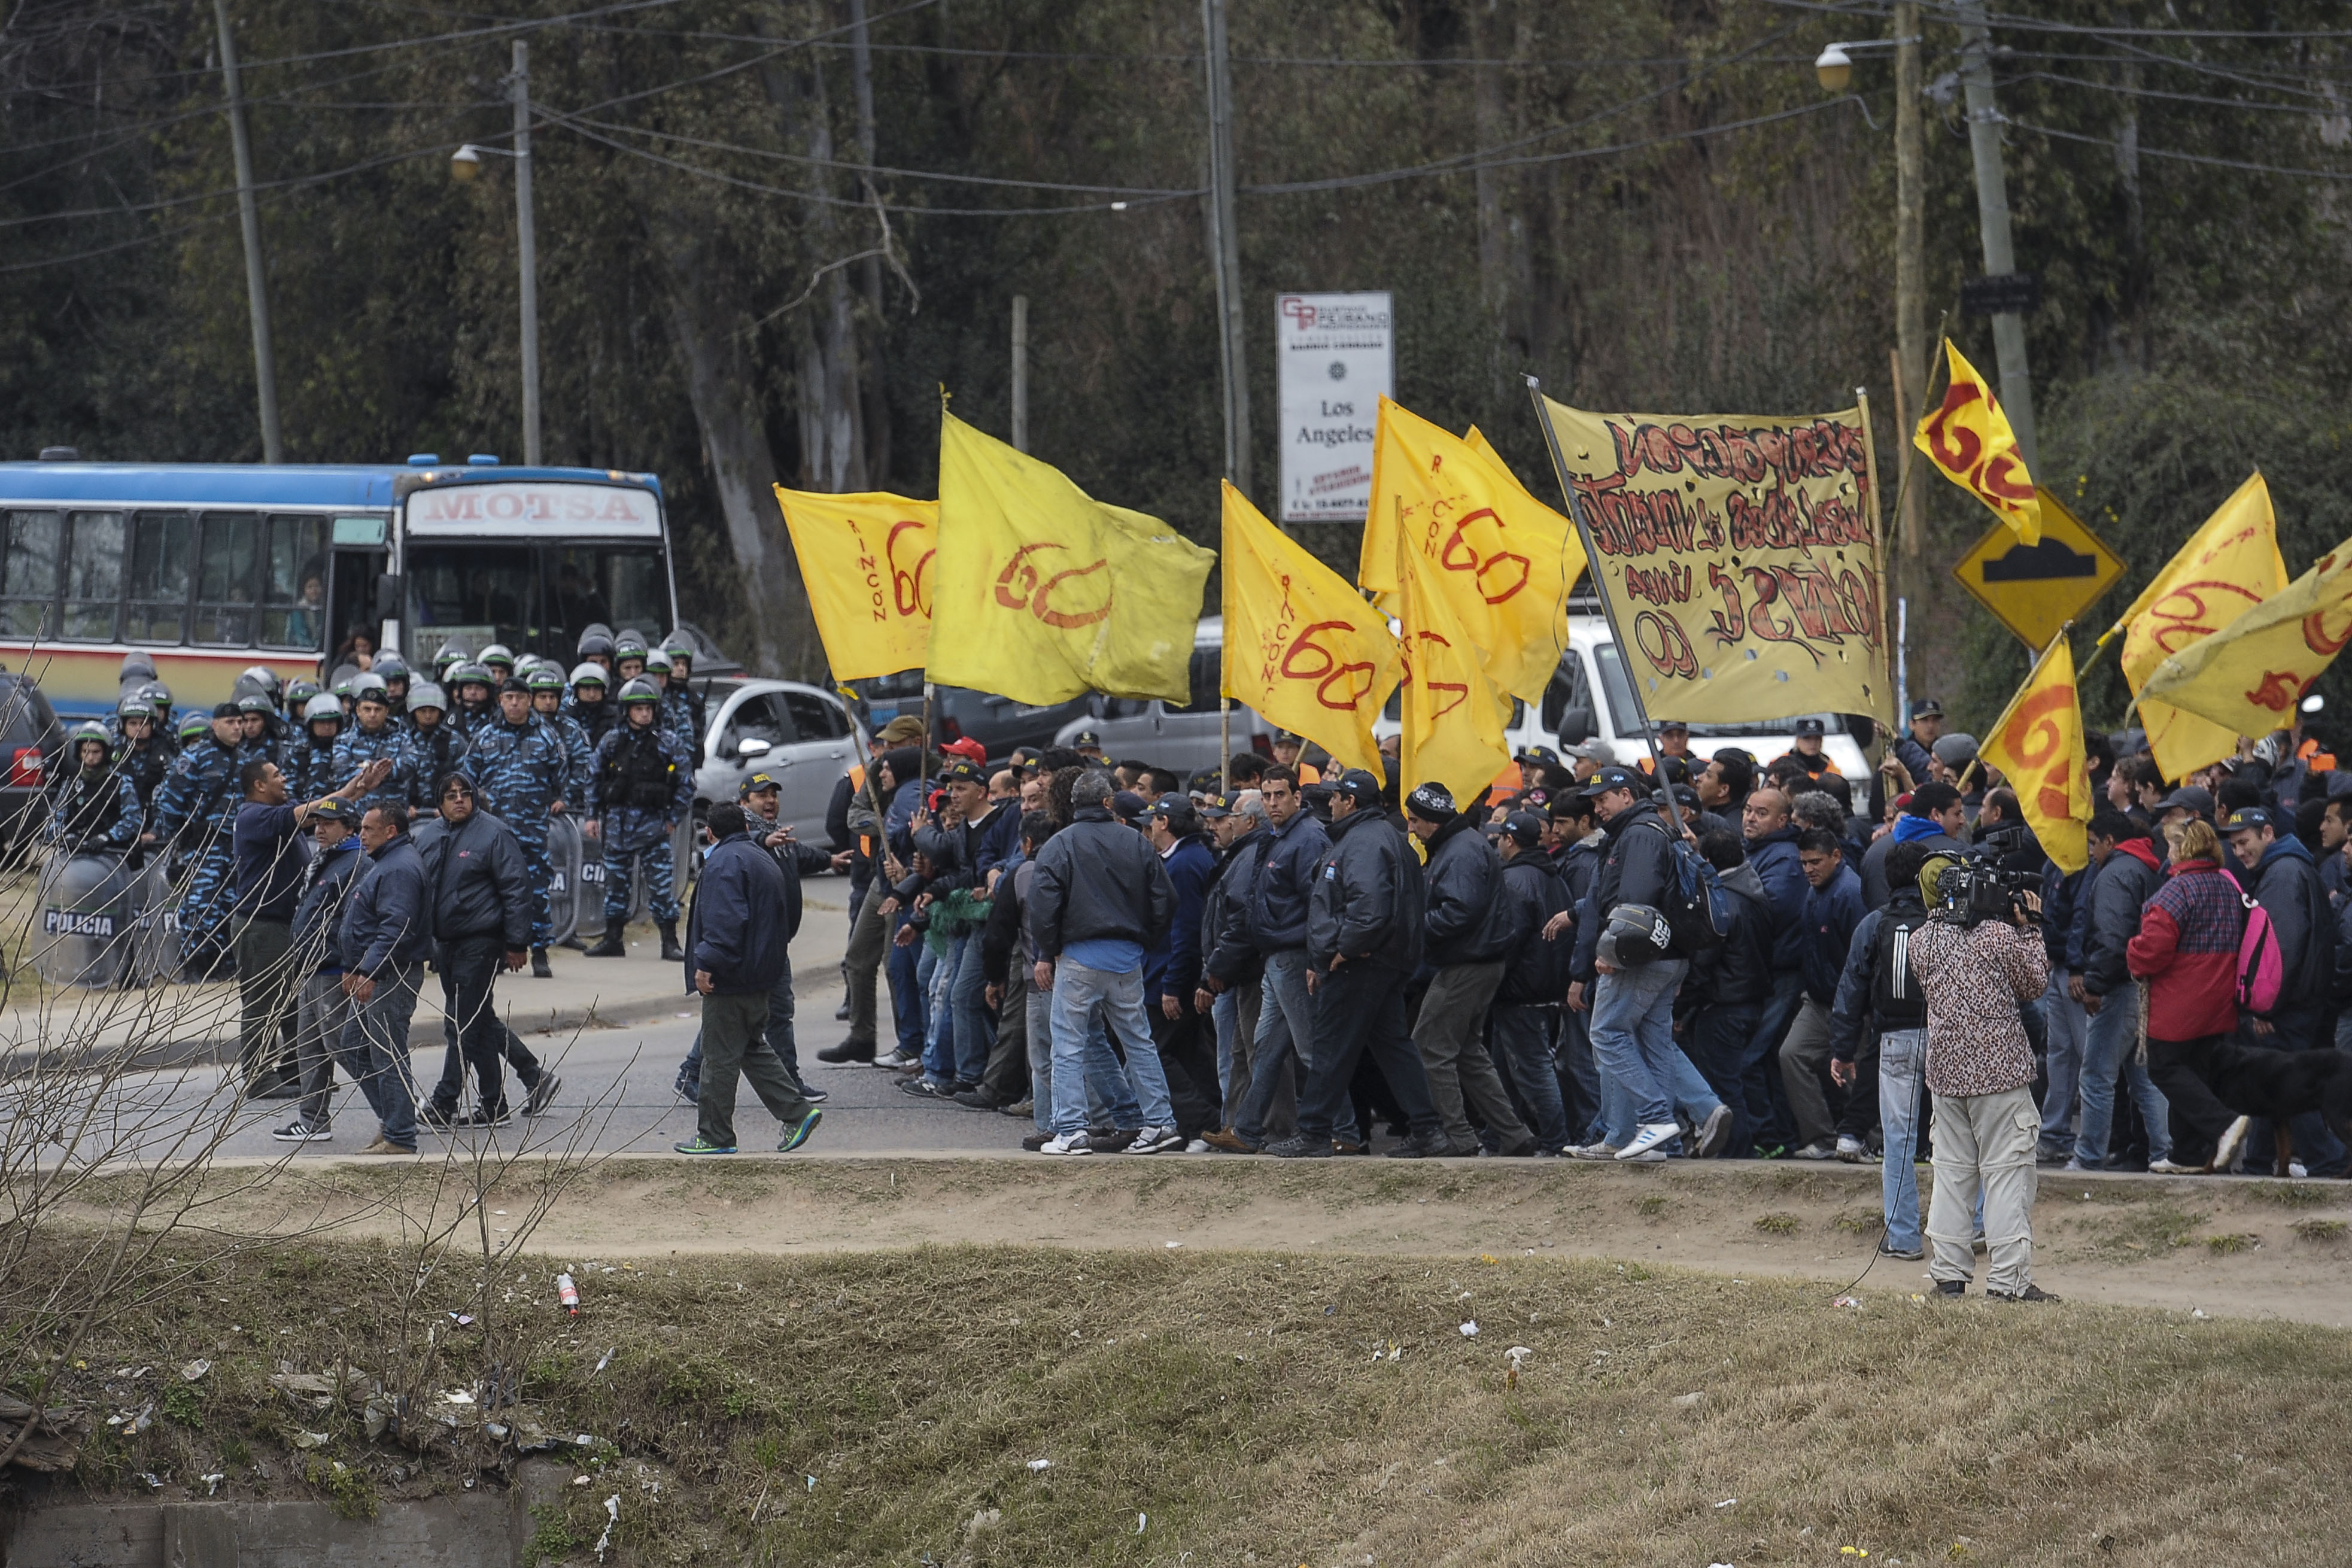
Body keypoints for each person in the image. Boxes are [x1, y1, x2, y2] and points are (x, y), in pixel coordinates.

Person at [1266, 768, 1447, 1159]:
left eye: (1334, 797)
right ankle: (1428, 1130)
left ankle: (1314, 1132)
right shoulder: (1379, 838)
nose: (1329, 803)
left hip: (1361, 964)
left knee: (1330, 1044)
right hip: (1382, 962)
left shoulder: (1364, 842)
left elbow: (1369, 911)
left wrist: (1341, 951)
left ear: (1350, 802)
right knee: (1394, 1046)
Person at [1906, 855, 2058, 1301]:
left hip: (1946, 1075)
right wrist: (2029, 927)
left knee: (1952, 1176)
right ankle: (2009, 1283)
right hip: (2001, 1076)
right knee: (2008, 1176)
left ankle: (1949, 1277)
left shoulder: (1921, 941)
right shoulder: (1998, 935)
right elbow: (2033, 984)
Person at [1026, 769, 1178, 1156]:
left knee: (1068, 1046)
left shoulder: (1059, 845)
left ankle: (1071, 1130)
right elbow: (1166, 898)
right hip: (1126, 955)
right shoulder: (1136, 841)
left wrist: (1050, 950)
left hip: (1078, 956)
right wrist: (1145, 939)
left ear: (1074, 805)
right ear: (1109, 802)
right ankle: (1160, 1122)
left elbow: (1042, 906)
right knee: (1138, 1041)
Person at [674, 773, 846, 1106]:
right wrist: (707, 961)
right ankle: (709, 1080)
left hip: (770, 945)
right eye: (760, 796)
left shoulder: (776, 837)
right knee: (751, 1014)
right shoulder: (745, 845)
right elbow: (738, 862)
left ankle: (701, 1075)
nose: (769, 801)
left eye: (773, 795)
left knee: (743, 1015)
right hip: (752, 949)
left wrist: (830, 859)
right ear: (743, 806)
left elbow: (798, 855)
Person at [413, 772, 557, 1128]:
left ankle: (444, 1101)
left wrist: (517, 942)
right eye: (450, 795)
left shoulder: (494, 833)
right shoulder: (429, 836)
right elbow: (420, 890)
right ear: (440, 803)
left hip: (482, 940)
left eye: (465, 794)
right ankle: (509, 1093)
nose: (459, 800)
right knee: (476, 1020)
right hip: (445, 943)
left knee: (460, 1023)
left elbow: (517, 889)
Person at [1402, 781, 1534, 1156]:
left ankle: (1458, 1136)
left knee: (1429, 1045)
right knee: (1467, 1051)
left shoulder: (1459, 852)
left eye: (1415, 820)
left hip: (1466, 963)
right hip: (1476, 961)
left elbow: (1460, 910)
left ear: (1434, 819)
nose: (1411, 828)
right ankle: (1513, 1134)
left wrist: (1412, 928)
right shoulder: (1460, 845)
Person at [1828, 841, 1938, 1258]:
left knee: (1899, 1142)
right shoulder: (1944, 924)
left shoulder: (1874, 924)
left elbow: (1851, 991)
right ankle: (1970, 1229)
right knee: (1959, 1140)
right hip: (1945, 1037)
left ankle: (1905, 1238)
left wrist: (1843, 1050)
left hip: (1893, 1039)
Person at [2222, 805, 2345, 1174]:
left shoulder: (2282, 875)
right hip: (2301, 1002)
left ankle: (2330, 1161)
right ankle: (2259, 1163)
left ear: (2269, 835)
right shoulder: (2288, 868)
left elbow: (2279, 949)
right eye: (2235, 845)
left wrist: (2264, 1008)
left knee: (2288, 1088)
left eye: (2245, 843)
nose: (2240, 853)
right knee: (2271, 1086)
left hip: (2287, 1008)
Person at [2126, 819, 2251, 1173]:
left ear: (2182, 849)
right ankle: (2187, 1154)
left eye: (2170, 846)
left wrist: (2132, 951)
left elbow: (2152, 951)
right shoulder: (2227, 886)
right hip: (2219, 998)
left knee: (2164, 1067)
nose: (2168, 854)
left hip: (2180, 1000)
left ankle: (2223, 1124)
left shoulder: (2175, 892)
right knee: (2194, 1070)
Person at [1239, 766, 1352, 1151]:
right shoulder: (1279, 836)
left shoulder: (1307, 839)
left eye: (1280, 795)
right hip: (1276, 955)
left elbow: (1319, 904)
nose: (1272, 802)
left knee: (1310, 1049)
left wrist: (1315, 959)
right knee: (1267, 1044)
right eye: (1266, 795)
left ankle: (1344, 1131)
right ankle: (1248, 1127)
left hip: (1295, 955)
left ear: (1297, 797)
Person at [2073, 812, 2177, 1172]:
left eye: (2092, 843)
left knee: (2096, 1076)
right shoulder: (2146, 868)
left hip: (2119, 987)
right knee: (2143, 1078)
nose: (2089, 852)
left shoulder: (2116, 874)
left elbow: (2113, 937)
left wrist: (2095, 984)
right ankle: (2165, 1152)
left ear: (2110, 841)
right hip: (2143, 988)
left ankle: (2088, 1159)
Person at [333, 803, 432, 1154]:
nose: (361, 834)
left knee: (387, 1053)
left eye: (368, 829)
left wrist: (369, 970)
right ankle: (394, 1122)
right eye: (360, 828)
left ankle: (401, 1135)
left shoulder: (400, 868)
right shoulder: (385, 863)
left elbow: (396, 928)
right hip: (372, 970)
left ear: (390, 831)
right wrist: (352, 965)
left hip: (392, 974)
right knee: (352, 1047)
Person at [271, 797, 368, 1142]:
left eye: (329, 823)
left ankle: (397, 1105)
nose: (320, 829)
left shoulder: (357, 862)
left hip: (333, 968)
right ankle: (312, 1120)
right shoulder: (327, 858)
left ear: (350, 827)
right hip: (310, 967)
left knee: (342, 1044)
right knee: (308, 1045)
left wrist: (348, 962)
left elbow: (354, 919)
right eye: (317, 823)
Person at [466, 677, 578, 973]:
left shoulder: (548, 737)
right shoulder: (484, 737)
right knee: (494, 892)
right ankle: (500, 952)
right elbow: (468, 780)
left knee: (537, 892)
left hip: (532, 830)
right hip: (493, 832)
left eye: (520, 698)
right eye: (509, 697)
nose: (514, 703)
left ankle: (540, 951)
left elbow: (561, 778)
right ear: (501, 701)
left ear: (530, 701)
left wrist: (556, 799)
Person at [583, 679, 692, 962]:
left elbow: (686, 784)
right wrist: (592, 816)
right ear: (626, 711)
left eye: (648, 709)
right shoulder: (612, 741)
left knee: (660, 888)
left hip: (654, 828)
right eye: (638, 709)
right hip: (617, 828)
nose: (644, 714)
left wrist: (673, 819)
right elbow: (593, 778)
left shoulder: (668, 742)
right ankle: (612, 939)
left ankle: (669, 942)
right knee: (615, 887)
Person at [1681, 828, 1773, 1159]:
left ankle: (1737, 1154)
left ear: (1707, 861)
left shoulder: (1721, 904)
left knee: (1724, 1085)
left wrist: (1680, 1009)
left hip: (1722, 1006)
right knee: (1737, 1080)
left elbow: (1703, 964)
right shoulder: (1753, 894)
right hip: (1751, 1002)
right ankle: (1743, 1149)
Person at [1779, 828, 1867, 1160]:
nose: (1808, 870)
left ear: (1836, 856)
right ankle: (1822, 1138)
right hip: (1817, 999)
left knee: (1857, 1073)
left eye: (1815, 862)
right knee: (1792, 1054)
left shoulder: (1850, 893)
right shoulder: (1816, 891)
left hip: (1851, 1004)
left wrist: (1858, 1008)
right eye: (1803, 863)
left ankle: (1870, 1139)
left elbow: (1861, 959)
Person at [1491, 811, 1575, 1154]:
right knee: (1502, 1068)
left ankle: (1556, 1142)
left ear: (1510, 840)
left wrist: (1493, 979)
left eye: (1500, 837)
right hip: (1548, 986)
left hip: (1522, 990)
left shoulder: (1515, 881)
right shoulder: (1555, 877)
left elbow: (1508, 940)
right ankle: (1501, 1134)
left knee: (1534, 1069)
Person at [145, 703, 249, 981]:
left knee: (231, 905)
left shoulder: (246, 759)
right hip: (203, 847)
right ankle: (193, 962)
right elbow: (170, 804)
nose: (237, 727)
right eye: (231, 722)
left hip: (236, 847)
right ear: (215, 726)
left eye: (240, 722)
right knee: (201, 906)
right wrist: (181, 837)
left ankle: (225, 961)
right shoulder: (194, 758)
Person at [1142, 795, 1222, 1148]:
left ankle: (1202, 1121)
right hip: (1172, 973)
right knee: (1191, 1053)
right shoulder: (1185, 858)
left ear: (1165, 823)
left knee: (1151, 1053)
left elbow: (1186, 931)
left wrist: (1174, 985)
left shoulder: (1185, 864)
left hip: (1171, 976)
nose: (1148, 827)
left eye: (1153, 820)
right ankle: (1211, 1125)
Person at [1195, 791, 1271, 1153]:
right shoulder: (1236, 858)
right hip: (1233, 970)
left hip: (1242, 971)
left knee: (1253, 1052)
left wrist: (1216, 969)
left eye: (1227, 817)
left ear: (1247, 822)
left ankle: (1259, 1126)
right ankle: (1238, 1126)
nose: (1215, 824)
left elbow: (1239, 920)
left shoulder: (1249, 857)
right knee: (1240, 1053)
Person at [48, 722, 142, 856]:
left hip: (112, 853)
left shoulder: (121, 784)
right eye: (85, 752)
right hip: (74, 855)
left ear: (106, 752)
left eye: (96, 752)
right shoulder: (70, 785)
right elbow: (52, 822)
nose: (90, 758)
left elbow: (133, 821)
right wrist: (66, 836)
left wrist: (108, 837)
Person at [332, 680, 410, 818]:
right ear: (358, 711)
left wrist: (367, 767)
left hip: (392, 815)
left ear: (387, 711)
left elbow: (408, 766)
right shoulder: (343, 740)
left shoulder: (402, 737)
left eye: (378, 709)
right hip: (354, 816)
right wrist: (382, 768)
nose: (373, 714)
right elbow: (343, 772)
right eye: (367, 709)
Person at [401, 683, 470, 816]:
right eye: (422, 711)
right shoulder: (402, 741)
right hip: (409, 814)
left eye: (432, 711)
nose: (428, 715)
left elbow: (464, 778)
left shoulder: (455, 741)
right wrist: (406, 807)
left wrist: (449, 805)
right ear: (414, 712)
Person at [565, 664, 616, 752]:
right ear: (576, 690)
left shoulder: (615, 718)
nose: (592, 695)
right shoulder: (567, 719)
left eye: (596, 688)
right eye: (586, 689)